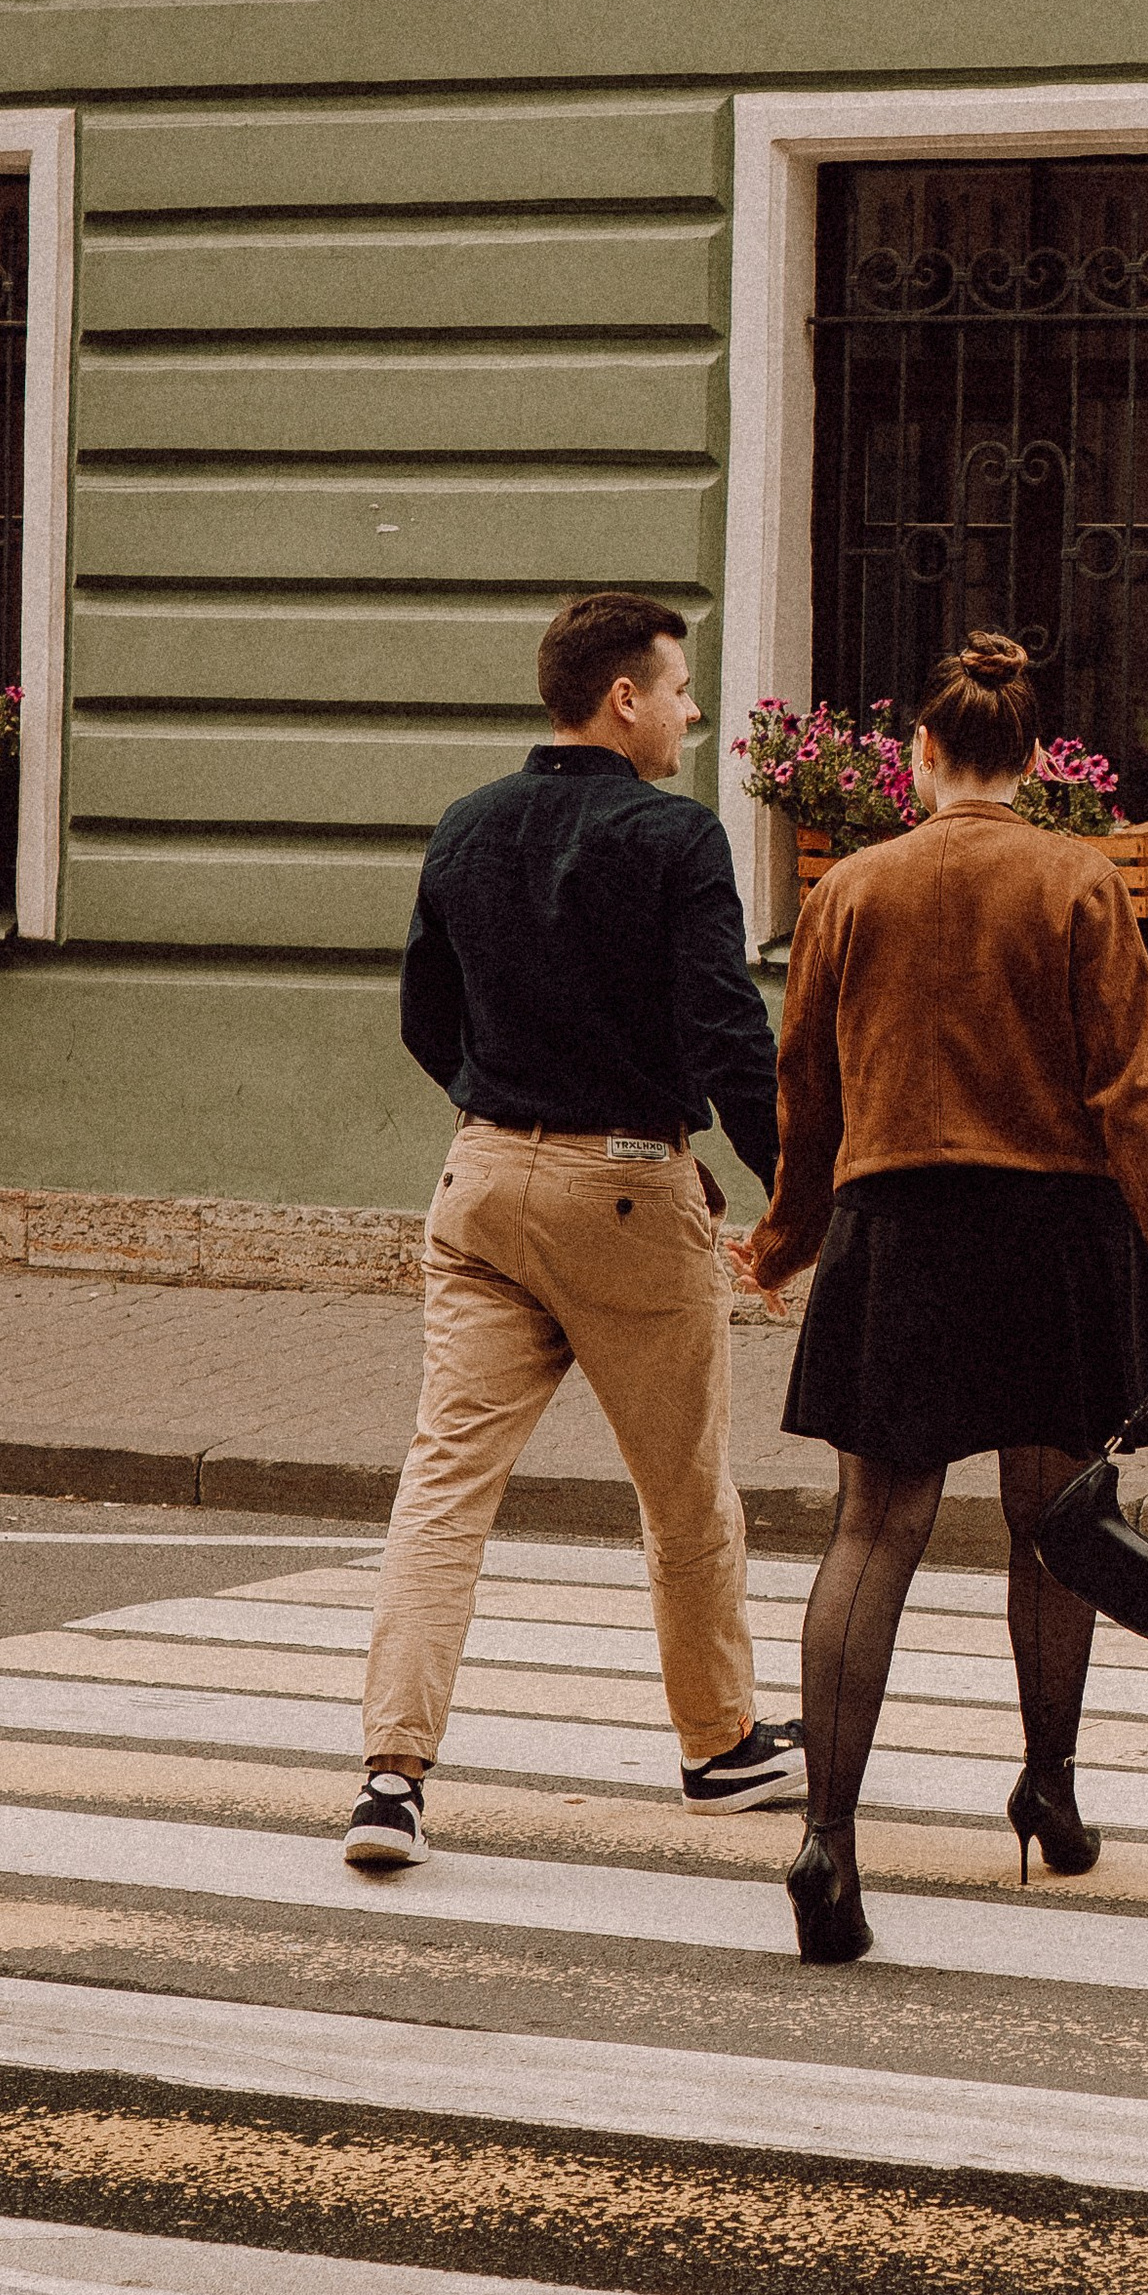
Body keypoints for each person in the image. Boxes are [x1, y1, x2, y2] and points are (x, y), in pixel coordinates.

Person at [727, 630, 1148, 1965]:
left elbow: (806, 1090)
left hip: (898, 1229)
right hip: (1055, 1235)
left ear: (924, 756)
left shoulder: (850, 888)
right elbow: (1133, 1096)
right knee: (1054, 1520)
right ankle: (1049, 1788)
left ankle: (828, 1843)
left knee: (874, 1529)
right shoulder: (1080, 883)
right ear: (1032, 766)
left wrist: (784, 1241)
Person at [343, 590, 808, 1875]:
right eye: (680, 687)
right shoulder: (676, 839)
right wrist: (795, 1198)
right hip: (622, 1185)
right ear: (623, 699)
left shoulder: (467, 826)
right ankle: (718, 1748)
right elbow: (726, 1038)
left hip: (480, 1186)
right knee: (684, 1493)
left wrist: (504, 1115)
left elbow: (423, 1021)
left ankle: (390, 1781)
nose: (694, 710)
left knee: (442, 1494)